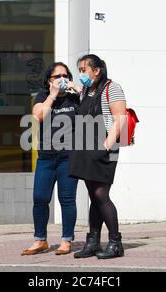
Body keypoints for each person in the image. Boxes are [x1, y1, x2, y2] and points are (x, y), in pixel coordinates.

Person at [69, 54, 127, 259]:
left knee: (102, 194)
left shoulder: (112, 88)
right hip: (86, 148)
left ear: (97, 71)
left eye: (84, 70)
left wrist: (105, 146)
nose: (81, 74)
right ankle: (93, 241)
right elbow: (79, 91)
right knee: (93, 195)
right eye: (80, 70)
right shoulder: (86, 89)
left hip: (106, 149)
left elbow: (121, 119)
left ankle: (115, 242)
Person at [21, 62, 81, 256]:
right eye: (57, 76)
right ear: (49, 81)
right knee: (39, 198)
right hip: (46, 158)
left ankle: (66, 240)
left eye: (65, 75)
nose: (62, 79)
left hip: (68, 157)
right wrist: (53, 95)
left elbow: (91, 105)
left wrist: (77, 88)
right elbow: (37, 116)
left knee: (67, 199)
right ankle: (40, 240)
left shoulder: (75, 99)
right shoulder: (42, 97)